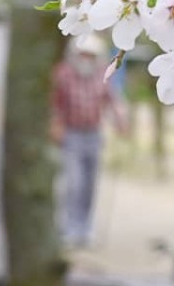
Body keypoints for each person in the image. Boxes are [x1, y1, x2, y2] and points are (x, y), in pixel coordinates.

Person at [49, 34, 126, 248]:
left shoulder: (103, 74)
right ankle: (69, 227)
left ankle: (85, 227)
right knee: (74, 182)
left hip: (93, 134)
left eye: (90, 55)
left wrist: (120, 120)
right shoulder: (63, 74)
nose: (86, 59)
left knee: (90, 184)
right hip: (71, 134)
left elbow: (113, 100)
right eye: (83, 54)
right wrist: (56, 125)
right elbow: (55, 103)